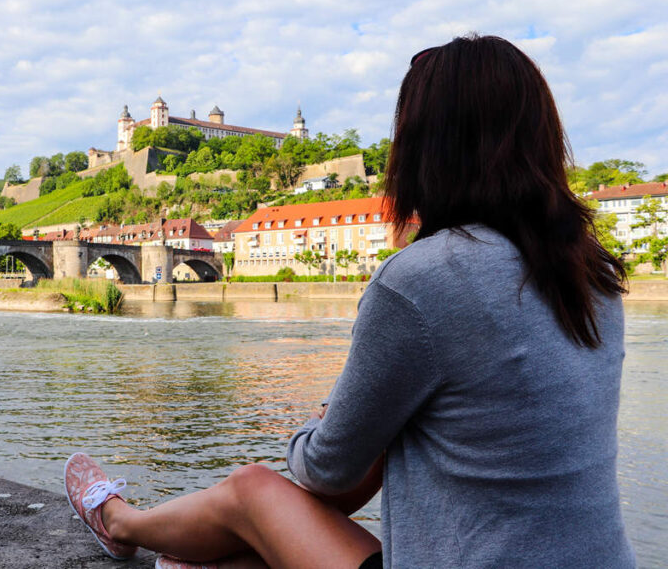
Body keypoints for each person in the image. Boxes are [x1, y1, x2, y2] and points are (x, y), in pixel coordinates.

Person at [64, 34, 635, 568]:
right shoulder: (593, 272)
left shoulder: (424, 277)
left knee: (250, 491)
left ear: (422, 149)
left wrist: (322, 420)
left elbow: (326, 470)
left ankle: (120, 522)